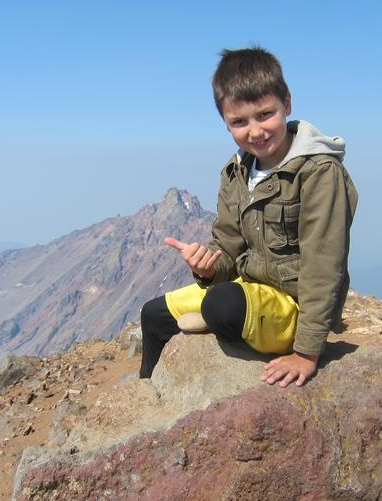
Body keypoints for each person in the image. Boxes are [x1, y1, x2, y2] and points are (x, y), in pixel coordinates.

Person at [140, 46, 358, 387]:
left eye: (265, 114)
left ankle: (217, 318)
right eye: (239, 122)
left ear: (287, 104)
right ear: (225, 123)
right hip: (249, 289)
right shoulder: (236, 172)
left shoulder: (318, 173)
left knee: (221, 306)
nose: (255, 131)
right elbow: (228, 246)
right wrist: (207, 267)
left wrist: (307, 352)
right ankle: (147, 393)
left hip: (292, 307)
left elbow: (323, 263)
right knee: (153, 314)